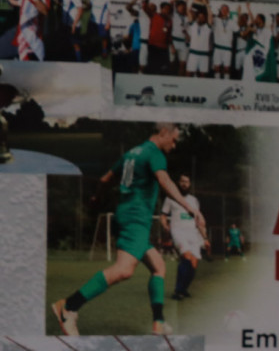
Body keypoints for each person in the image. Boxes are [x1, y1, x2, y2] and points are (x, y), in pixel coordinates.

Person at [51, 123, 199, 336]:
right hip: (136, 218)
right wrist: (188, 206)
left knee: (158, 266)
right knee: (124, 270)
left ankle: (159, 323)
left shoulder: (131, 153)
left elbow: (105, 179)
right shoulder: (154, 153)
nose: (174, 145)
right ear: (163, 132)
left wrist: (96, 197)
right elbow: (164, 179)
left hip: (128, 214)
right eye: (174, 139)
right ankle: (69, 307)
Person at [161, 173, 208, 301]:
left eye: (186, 182)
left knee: (193, 264)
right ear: (178, 183)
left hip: (193, 234)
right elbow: (163, 215)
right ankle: (178, 290)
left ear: (190, 184)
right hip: (178, 231)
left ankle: (184, 288)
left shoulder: (194, 200)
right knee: (186, 257)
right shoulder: (170, 198)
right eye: (182, 181)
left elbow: (198, 220)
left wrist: (204, 238)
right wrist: (165, 225)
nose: (184, 184)